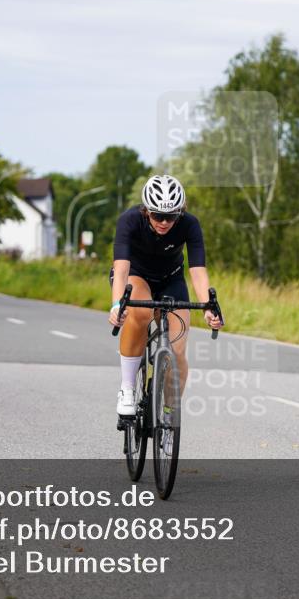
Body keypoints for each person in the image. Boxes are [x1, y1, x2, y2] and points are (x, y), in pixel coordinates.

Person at [108, 175, 223, 418]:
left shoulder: (190, 224)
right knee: (139, 313)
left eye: (170, 216)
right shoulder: (129, 220)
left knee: (178, 348)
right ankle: (127, 389)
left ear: (179, 212)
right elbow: (121, 269)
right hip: (136, 275)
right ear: (145, 210)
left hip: (171, 279)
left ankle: (170, 412)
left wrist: (207, 308)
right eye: (157, 215)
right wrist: (117, 305)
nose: (163, 222)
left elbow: (198, 270)